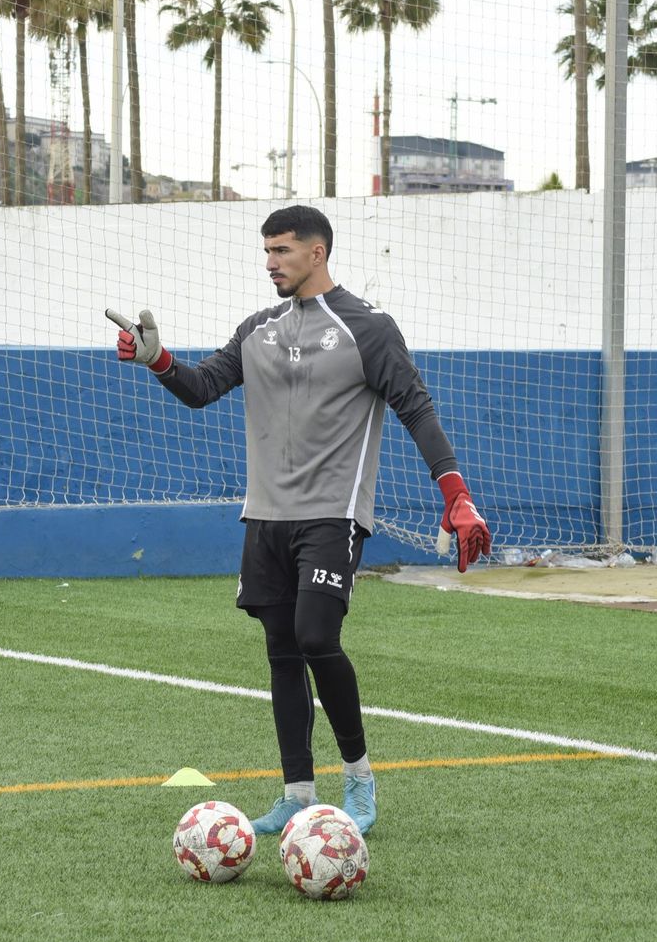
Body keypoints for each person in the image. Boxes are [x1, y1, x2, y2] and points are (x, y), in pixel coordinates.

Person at [106, 205, 490, 836]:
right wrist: (159, 361)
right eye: (265, 251)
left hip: (333, 515)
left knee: (316, 637)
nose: (270, 263)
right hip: (264, 517)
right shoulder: (256, 328)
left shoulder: (368, 328)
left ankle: (359, 777)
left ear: (318, 252)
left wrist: (455, 492)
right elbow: (203, 387)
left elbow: (415, 408)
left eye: (281, 250)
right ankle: (296, 793)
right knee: (281, 651)